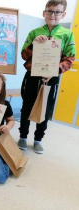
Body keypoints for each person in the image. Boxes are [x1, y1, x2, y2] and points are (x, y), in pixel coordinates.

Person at [18, 0, 76, 154]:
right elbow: (24, 55)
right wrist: (33, 45)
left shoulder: (67, 34)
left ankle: (38, 139)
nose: (53, 14)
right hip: (32, 76)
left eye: (57, 11)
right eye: (49, 11)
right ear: (44, 13)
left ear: (63, 14)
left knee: (46, 109)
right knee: (27, 107)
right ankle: (23, 136)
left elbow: (70, 59)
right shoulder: (34, 33)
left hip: (52, 78)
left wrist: (54, 70)